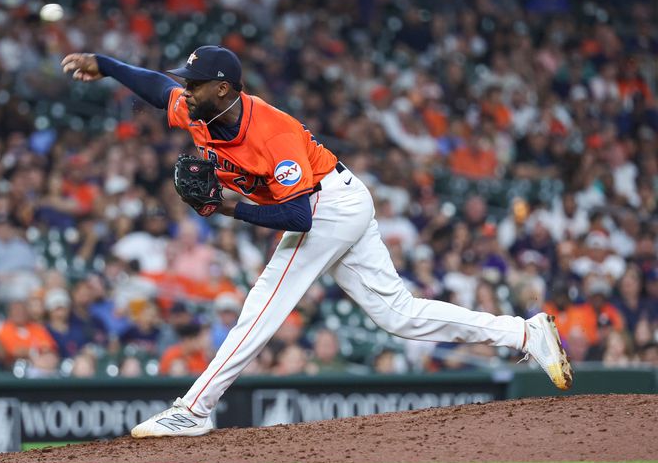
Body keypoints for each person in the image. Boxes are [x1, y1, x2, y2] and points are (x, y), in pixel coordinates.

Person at [62, 45, 573, 438]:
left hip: (328, 204)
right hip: (337, 198)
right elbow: (154, 87)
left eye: (194, 84)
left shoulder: (272, 134)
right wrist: (105, 65)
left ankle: (193, 410)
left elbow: (298, 216)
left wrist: (225, 206)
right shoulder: (201, 111)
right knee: (398, 314)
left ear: (224, 88)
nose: (186, 91)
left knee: (266, 301)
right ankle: (525, 335)